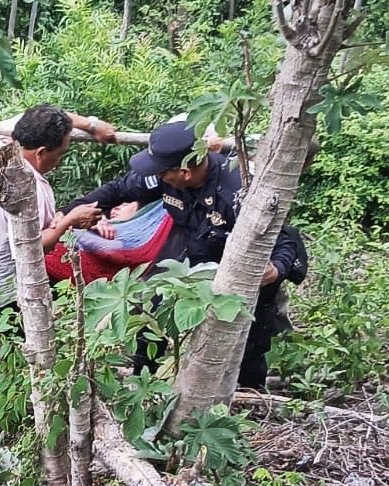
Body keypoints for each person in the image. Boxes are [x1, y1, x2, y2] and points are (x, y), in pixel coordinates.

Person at [65, 120, 299, 386]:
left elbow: (284, 238)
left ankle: (251, 397)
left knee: (247, 340)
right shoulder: (164, 177)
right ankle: (146, 382)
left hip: (235, 273)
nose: (157, 175)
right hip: (188, 260)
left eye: (163, 172)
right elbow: (119, 189)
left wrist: (277, 268)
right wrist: (75, 210)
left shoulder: (238, 191)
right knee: (151, 312)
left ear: (185, 172)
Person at [0, 104, 117, 322]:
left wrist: (92, 125)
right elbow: (31, 247)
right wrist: (68, 221)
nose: (59, 163)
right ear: (40, 153)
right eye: (60, 154)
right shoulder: (27, 187)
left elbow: (47, 114)